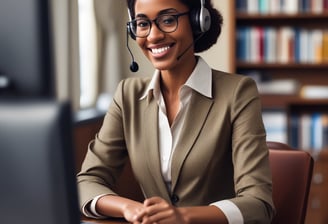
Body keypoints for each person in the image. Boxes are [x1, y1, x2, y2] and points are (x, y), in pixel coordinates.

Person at [77, 0, 275, 223]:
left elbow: (258, 205)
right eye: (143, 23)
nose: (153, 36)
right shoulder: (128, 95)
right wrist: (129, 208)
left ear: (198, 21)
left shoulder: (238, 92)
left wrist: (183, 216)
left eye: (168, 20)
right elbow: (87, 181)